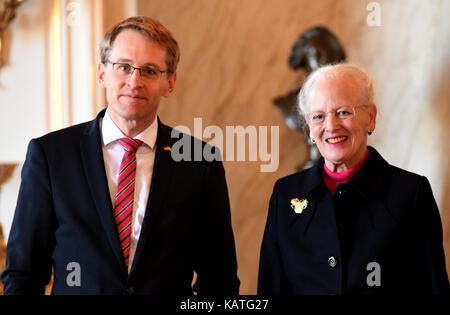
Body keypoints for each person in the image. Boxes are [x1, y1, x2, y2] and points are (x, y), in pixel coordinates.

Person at [2, 16, 239, 295]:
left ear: (170, 83)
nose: (134, 81)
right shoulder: (51, 155)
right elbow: (24, 272)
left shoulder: (200, 161)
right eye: (124, 67)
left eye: (150, 71)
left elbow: (219, 278)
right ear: (102, 73)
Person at [258, 63, 449, 295]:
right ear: (309, 126)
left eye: (344, 112)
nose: (331, 126)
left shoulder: (410, 193)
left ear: (370, 117)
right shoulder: (285, 194)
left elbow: (433, 289)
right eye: (319, 116)